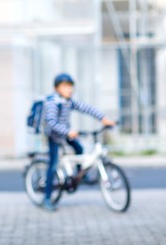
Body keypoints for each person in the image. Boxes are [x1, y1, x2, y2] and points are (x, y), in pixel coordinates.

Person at [43, 73, 115, 212]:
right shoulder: (52, 102)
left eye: (71, 86)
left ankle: (80, 174)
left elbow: (86, 108)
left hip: (66, 133)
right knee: (52, 165)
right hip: (54, 136)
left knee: (79, 148)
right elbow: (51, 122)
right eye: (65, 86)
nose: (69, 89)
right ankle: (47, 198)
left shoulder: (68, 101)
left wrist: (103, 118)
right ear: (57, 88)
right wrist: (67, 131)